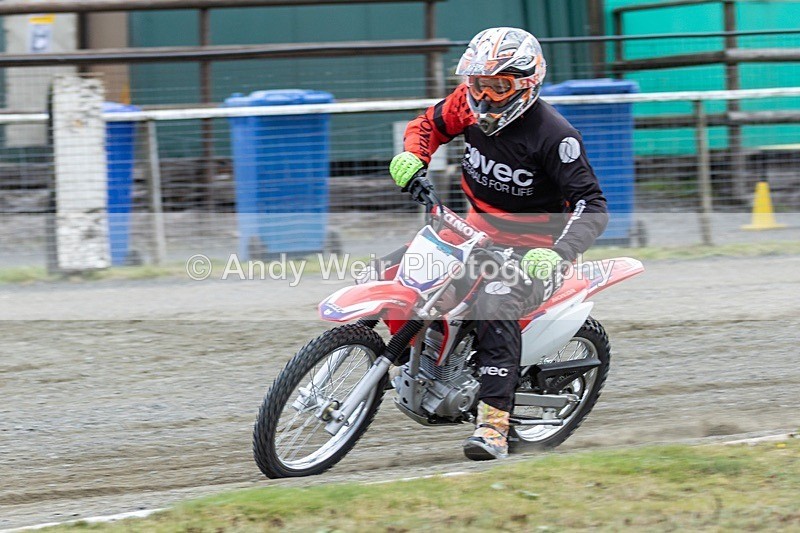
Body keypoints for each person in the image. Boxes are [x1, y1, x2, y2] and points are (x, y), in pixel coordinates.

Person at [388, 27, 609, 460]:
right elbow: (427, 125)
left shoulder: (555, 136)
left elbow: (592, 204)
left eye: (499, 86)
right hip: (472, 231)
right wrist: (415, 154)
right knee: (391, 270)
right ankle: (410, 359)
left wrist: (558, 254)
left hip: (536, 250)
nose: (485, 97)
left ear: (527, 84)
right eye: (478, 84)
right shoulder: (465, 104)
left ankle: (493, 425)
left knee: (494, 304)